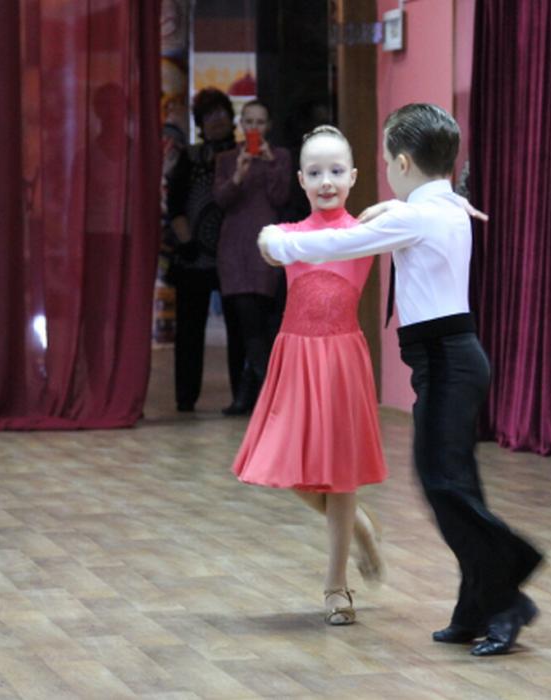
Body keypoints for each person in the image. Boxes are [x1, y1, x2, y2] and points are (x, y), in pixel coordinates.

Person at [258, 104, 543, 655]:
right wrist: (400, 204)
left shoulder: (417, 217)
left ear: (404, 163)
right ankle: (474, 607)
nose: (386, 170)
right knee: (453, 489)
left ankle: (509, 592)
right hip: (449, 360)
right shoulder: (442, 207)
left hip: (447, 361)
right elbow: (415, 210)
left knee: (445, 488)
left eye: (388, 160)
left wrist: (275, 240)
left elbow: (335, 244)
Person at [233, 125, 386, 625]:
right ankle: (359, 524)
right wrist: (270, 238)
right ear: (300, 180)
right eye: (315, 172)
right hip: (296, 358)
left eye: (336, 171)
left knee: (340, 476)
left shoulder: (365, 232)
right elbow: (268, 244)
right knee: (287, 464)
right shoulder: (288, 234)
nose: (326, 181)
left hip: (341, 360)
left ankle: (336, 587)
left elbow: (403, 222)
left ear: (353, 176)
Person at [214, 100, 292, 415]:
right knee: (244, 324)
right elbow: (221, 200)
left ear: (268, 126)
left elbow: (280, 197)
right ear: (241, 124)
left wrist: (270, 164)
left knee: (260, 324)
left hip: (265, 249)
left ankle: (261, 395)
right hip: (233, 250)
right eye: (249, 122)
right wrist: (238, 174)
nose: (254, 128)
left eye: (260, 122)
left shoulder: (281, 157)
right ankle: (257, 395)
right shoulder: (226, 158)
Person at [165, 88, 237, 412]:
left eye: (221, 113)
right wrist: (187, 242)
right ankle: (185, 398)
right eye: (209, 115)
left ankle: (242, 397)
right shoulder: (189, 156)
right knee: (189, 330)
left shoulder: (243, 154)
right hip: (194, 254)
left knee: (240, 328)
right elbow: (175, 204)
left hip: (234, 255)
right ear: (200, 122)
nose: (216, 120)